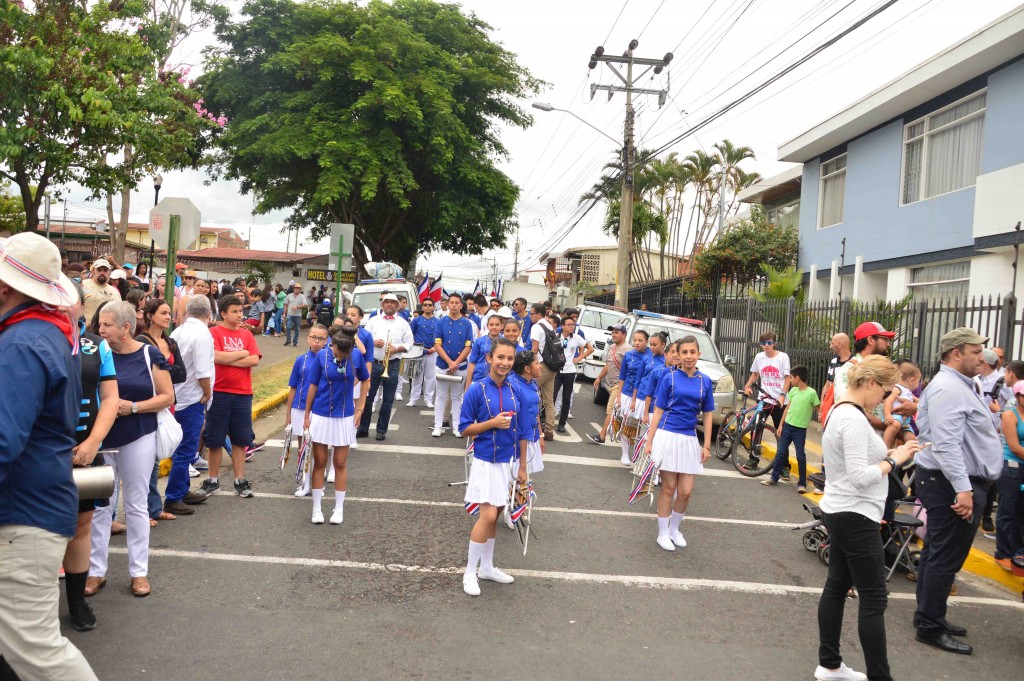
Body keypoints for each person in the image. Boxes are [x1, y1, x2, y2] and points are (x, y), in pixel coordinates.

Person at [0, 233, 100, 679]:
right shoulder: (45, 332)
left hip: (22, 512)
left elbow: (3, 440)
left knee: (37, 651)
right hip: (36, 505)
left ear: (5, 287)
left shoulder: (21, 343)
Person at [814, 355, 921, 681]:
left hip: (843, 508)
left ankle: (829, 664)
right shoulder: (854, 419)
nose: (887, 399)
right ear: (871, 383)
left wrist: (889, 454)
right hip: (855, 513)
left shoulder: (844, 411)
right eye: (887, 392)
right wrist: (897, 458)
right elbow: (861, 476)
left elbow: (854, 462)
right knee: (874, 597)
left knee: (837, 585)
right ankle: (879, 676)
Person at [913, 328, 1002, 655]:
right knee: (944, 556)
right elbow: (947, 444)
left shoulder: (964, 384)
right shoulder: (950, 388)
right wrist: (963, 490)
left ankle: (927, 616)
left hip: (952, 480)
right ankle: (930, 626)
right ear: (955, 353)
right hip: (951, 482)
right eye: (976, 352)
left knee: (938, 552)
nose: (983, 357)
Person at [91, 301, 174, 599]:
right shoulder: (97, 352)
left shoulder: (148, 353)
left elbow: (167, 396)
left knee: (136, 505)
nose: (100, 329)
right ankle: (95, 571)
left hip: (138, 435)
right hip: (101, 440)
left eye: (107, 324)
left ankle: (139, 573)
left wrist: (134, 407)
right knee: (101, 506)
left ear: (126, 327)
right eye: (100, 323)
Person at [62, 281, 120, 633]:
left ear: (81, 305)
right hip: (40, 453)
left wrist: (93, 443)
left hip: (85, 451)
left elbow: (110, 398)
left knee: (82, 526)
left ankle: (76, 602)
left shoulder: (97, 346)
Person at [459, 337, 527, 597]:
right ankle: (469, 571)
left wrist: (522, 467)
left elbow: (522, 430)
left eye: (510, 359)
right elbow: (464, 428)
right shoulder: (476, 389)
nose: (505, 363)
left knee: (496, 515)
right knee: (486, 516)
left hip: (508, 462)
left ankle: (486, 567)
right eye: (500, 357)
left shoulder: (515, 389)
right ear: (489, 358)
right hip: (486, 460)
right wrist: (491, 423)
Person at [643, 337, 714, 552]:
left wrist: (707, 445)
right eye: (685, 352)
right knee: (669, 487)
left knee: (685, 491)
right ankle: (663, 533)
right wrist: (649, 441)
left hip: (689, 440)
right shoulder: (669, 378)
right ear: (678, 355)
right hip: (667, 435)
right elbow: (658, 411)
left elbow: (708, 414)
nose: (689, 356)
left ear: (698, 354)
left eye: (693, 352)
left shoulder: (705, 381)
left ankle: (674, 529)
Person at [303, 333, 370, 524]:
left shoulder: (356, 356)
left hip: (344, 415)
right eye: (337, 353)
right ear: (332, 346)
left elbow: (365, 379)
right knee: (320, 461)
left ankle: (338, 509)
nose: (339, 357)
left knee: (340, 462)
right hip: (321, 413)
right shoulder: (321, 356)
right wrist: (307, 415)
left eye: (343, 355)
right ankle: (317, 509)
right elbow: (313, 386)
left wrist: (360, 407)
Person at [199, 294, 262, 498]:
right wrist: (241, 354)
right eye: (234, 311)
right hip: (218, 392)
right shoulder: (214, 333)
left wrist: (230, 359)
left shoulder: (247, 335)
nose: (239, 315)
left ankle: (239, 480)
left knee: (240, 438)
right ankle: (213, 480)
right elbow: (215, 356)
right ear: (223, 313)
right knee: (214, 439)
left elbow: (254, 360)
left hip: (242, 394)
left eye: (240, 311)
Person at [166, 296, 215, 515]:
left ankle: (182, 490)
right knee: (186, 448)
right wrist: (207, 393)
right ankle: (174, 496)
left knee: (181, 447)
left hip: (177, 394)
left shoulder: (178, 331)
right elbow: (203, 371)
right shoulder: (203, 334)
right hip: (193, 396)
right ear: (209, 313)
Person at [357, 293, 412, 441]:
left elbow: (409, 344)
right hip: (374, 363)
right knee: (368, 397)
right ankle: (363, 428)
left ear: (397, 305)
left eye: (392, 302)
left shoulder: (403, 323)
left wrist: (397, 348)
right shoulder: (373, 320)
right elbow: (364, 338)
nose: (389, 305)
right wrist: (373, 342)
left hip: (392, 364)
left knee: (387, 400)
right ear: (382, 305)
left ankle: (381, 430)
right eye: (386, 302)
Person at [286, 324, 330, 497]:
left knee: (319, 447)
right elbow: (293, 387)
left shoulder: (329, 359)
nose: (317, 342)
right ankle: (306, 482)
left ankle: (318, 483)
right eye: (313, 337)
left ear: (327, 341)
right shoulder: (301, 360)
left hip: (320, 409)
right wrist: (288, 413)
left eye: (320, 338)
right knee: (302, 447)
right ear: (308, 338)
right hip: (299, 407)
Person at [761, 366, 819, 492]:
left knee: (800, 456)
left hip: (800, 430)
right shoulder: (793, 391)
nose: (790, 380)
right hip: (787, 426)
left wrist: (821, 418)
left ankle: (802, 484)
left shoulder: (811, 393)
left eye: (792, 378)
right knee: (781, 453)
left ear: (797, 378)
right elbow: (786, 409)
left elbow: (818, 409)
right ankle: (774, 477)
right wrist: (781, 425)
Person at [743, 331, 792, 474]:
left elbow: (788, 378)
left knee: (781, 431)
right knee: (757, 428)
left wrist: (783, 395)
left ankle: (783, 466)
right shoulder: (759, 357)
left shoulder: (783, 357)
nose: (766, 346)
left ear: (774, 343)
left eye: (769, 343)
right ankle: (753, 459)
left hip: (779, 401)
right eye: (763, 343)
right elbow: (755, 374)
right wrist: (747, 386)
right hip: (764, 398)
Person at [432, 293, 474, 438]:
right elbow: (437, 344)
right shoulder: (441, 322)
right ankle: (437, 426)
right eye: (452, 302)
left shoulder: (467, 323)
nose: (454, 305)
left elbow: (468, 346)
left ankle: (457, 426)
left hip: (460, 365)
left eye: (457, 303)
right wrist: (449, 362)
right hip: (443, 364)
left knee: (457, 397)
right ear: (448, 304)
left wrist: (456, 363)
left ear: (461, 305)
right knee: (440, 396)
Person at [996, 381, 1024, 571]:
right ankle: (1003, 552)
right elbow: (1014, 446)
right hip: (1012, 466)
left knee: (1022, 511)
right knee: (1008, 509)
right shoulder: (1009, 415)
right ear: (1017, 396)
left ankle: (1019, 550)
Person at [616, 330, 652, 466]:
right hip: (627, 393)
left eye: (640, 340)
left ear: (646, 342)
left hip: (643, 396)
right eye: (635, 340)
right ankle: (625, 454)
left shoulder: (650, 356)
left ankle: (639, 455)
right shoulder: (628, 355)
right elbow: (622, 376)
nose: (637, 343)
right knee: (627, 424)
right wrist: (619, 395)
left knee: (642, 427)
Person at [589, 324, 630, 445]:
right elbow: (608, 365)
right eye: (613, 332)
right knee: (616, 413)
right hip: (611, 384)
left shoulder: (628, 350)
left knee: (610, 411)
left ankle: (602, 436)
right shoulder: (612, 347)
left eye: (617, 332)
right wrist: (599, 377)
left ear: (624, 335)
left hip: (620, 386)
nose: (614, 334)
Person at [511, 350, 544, 476]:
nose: (540, 365)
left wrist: (540, 435)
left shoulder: (533, 383)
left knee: (525, 478)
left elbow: (536, 412)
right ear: (527, 369)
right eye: (537, 363)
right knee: (514, 477)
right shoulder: (512, 384)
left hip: (532, 435)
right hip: (518, 438)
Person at [530, 305, 560, 441]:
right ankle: (549, 430)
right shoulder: (549, 326)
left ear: (539, 314)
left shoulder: (536, 327)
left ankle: (530, 426)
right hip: (552, 366)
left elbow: (535, 348)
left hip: (541, 366)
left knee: (528, 393)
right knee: (548, 400)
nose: (530, 316)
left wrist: (527, 361)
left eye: (532, 314)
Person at [408, 298, 439, 408]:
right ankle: (413, 399)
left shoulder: (437, 322)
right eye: (425, 305)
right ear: (422, 307)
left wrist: (435, 348)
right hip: (418, 352)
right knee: (417, 377)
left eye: (430, 305)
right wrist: (414, 345)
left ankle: (428, 399)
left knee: (430, 377)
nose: (427, 307)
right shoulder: (416, 320)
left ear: (433, 307)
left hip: (432, 353)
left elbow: (440, 337)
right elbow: (410, 335)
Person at [881, 363, 921, 448]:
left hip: (905, 419)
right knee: (894, 426)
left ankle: (911, 454)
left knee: (911, 437)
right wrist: (887, 415)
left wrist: (919, 404)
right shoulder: (897, 388)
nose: (919, 384)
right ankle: (884, 448)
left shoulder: (908, 391)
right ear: (912, 380)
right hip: (895, 415)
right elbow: (888, 401)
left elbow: (918, 401)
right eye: (918, 381)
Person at [465, 314, 504, 392]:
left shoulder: (505, 342)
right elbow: (472, 363)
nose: (494, 327)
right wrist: (468, 385)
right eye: (491, 324)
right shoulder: (479, 341)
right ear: (487, 326)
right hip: (478, 377)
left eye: (497, 325)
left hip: (498, 380)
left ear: (502, 326)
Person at [81, 257, 121, 322]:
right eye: (99, 270)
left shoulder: (114, 291)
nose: (102, 273)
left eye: (105, 270)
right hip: (86, 329)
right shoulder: (83, 285)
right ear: (93, 271)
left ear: (110, 272)